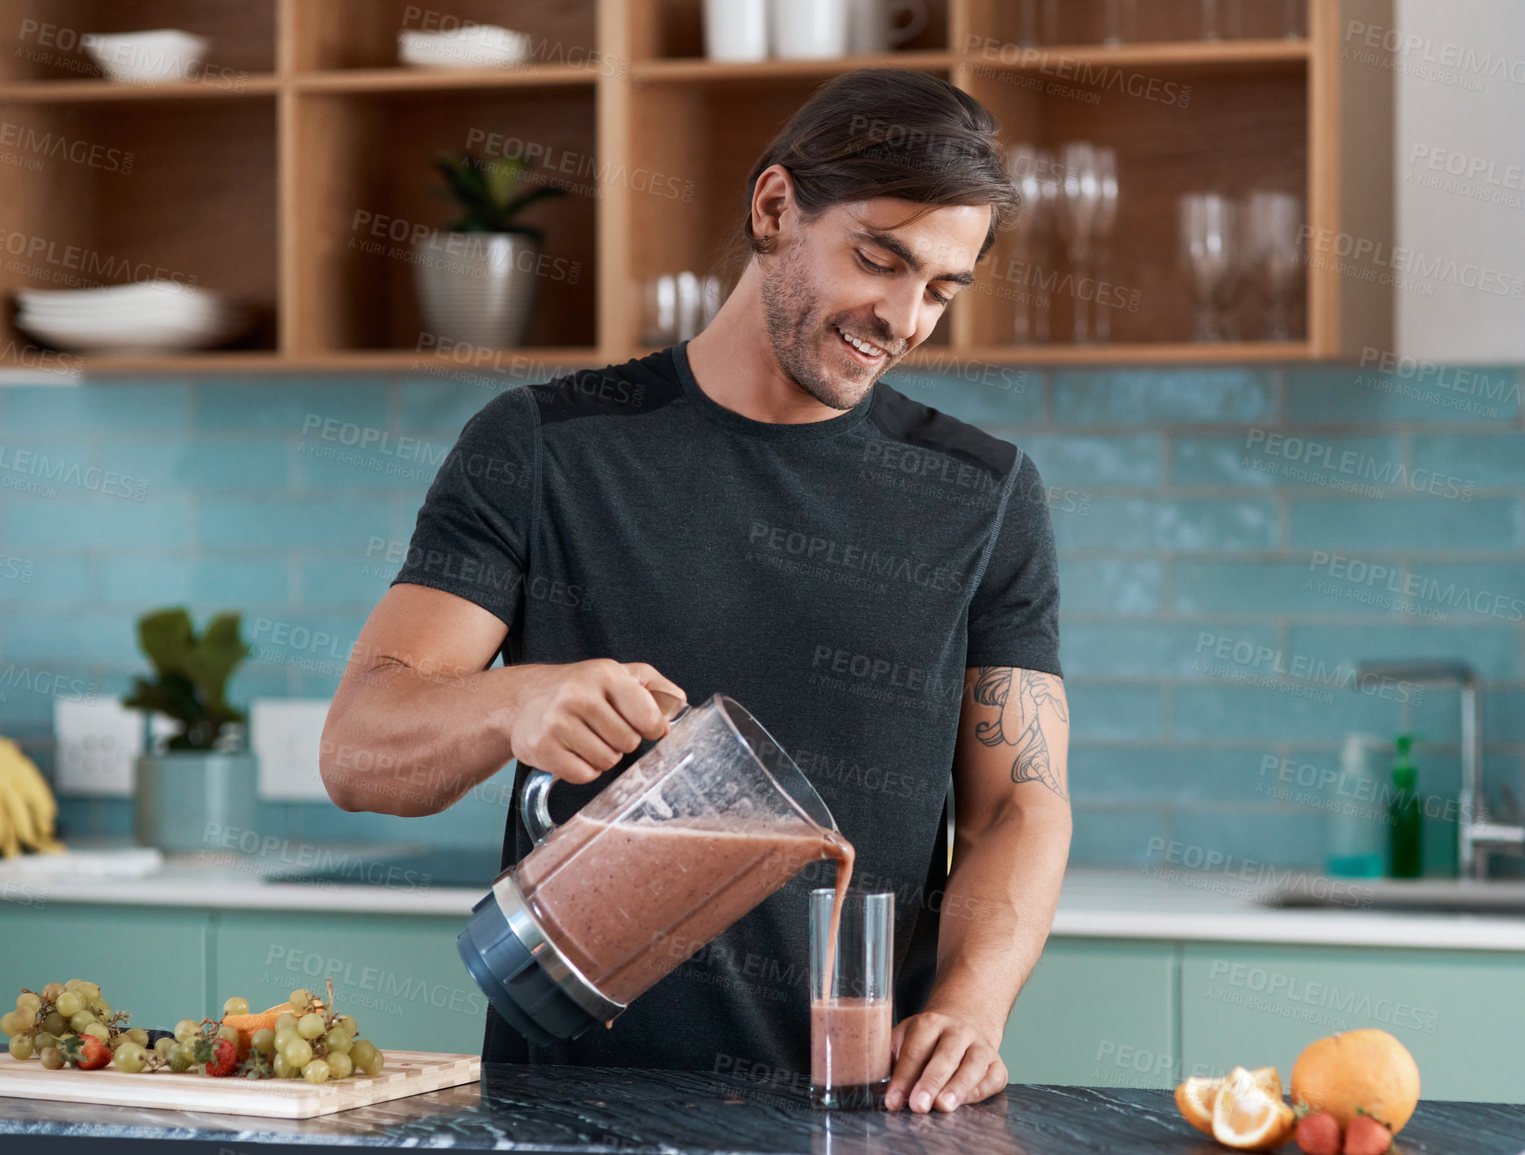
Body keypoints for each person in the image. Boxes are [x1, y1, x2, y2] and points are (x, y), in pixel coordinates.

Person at [321, 68, 1071, 1115]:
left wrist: (972, 1010)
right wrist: (513, 702)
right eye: (879, 258)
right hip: (572, 1109)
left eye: (941, 289)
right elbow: (359, 749)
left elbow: (1020, 807)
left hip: (867, 1112)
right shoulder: (545, 446)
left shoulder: (982, 494)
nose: (903, 318)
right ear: (775, 208)